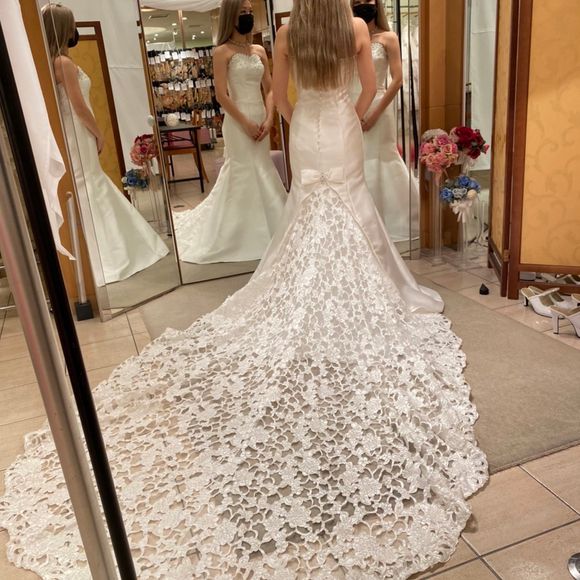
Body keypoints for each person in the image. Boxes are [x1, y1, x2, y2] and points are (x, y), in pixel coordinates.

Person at [0, 1, 487, 578]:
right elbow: (366, 88)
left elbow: (281, 96)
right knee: (351, 207)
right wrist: (348, 114)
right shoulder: (355, 27)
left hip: (308, 130)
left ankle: (305, 282)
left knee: (307, 208)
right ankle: (359, 282)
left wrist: (303, 118)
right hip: (341, 128)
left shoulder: (289, 30)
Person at [42, 3, 169, 287]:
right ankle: (107, 252)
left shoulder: (54, 62)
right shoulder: (63, 63)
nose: (75, 31)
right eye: (72, 26)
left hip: (73, 132)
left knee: (88, 182)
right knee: (88, 182)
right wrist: (99, 133)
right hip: (79, 131)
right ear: (63, 29)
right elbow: (78, 106)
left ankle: (95, 249)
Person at [172, 0, 287, 264]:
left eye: (250, 12)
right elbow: (221, 95)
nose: (247, 16)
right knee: (242, 171)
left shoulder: (259, 50)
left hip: (261, 116)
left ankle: (272, 226)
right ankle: (239, 233)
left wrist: (270, 117)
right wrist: (244, 122)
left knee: (263, 168)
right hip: (237, 121)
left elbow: (270, 88)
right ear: (230, 17)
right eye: (242, 12)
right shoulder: (221, 52)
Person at [351, 0, 420, 244]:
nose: (363, 5)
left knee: (383, 157)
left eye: (368, 1)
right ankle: (362, 222)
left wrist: (375, 114)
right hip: (352, 104)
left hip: (380, 105)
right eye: (357, 1)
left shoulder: (388, 38)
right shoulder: (346, 39)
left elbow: (398, 79)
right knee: (357, 160)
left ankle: (398, 220)